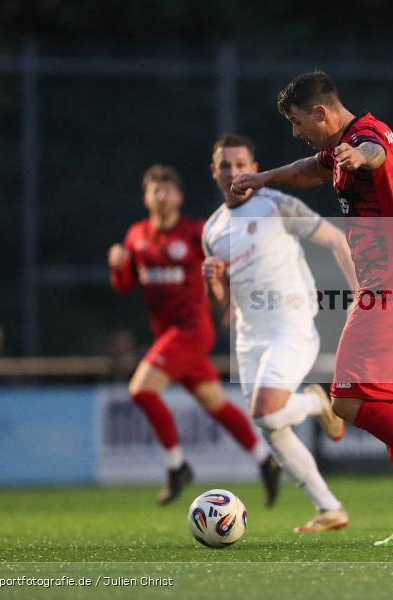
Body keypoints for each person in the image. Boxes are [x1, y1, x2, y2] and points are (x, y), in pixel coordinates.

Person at [230, 71, 393, 547]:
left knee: (347, 402)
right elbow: (311, 166)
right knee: (386, 404)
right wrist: (265, 178)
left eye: (298, 120)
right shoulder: (339, 144)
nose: (295, 130)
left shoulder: (367, 136)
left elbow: (376, 152)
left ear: (320, 112)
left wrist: (358, 156)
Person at [203, 133, 356, 533]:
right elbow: (221, 307)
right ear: (214, 171)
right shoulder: (212, 231)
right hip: (249, 338)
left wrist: (360, 295)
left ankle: (314, 403)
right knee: (270, 427)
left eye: (240, 164)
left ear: (253, 168)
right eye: (225, 165)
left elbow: (337, 240)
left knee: (266, 413)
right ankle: (330, 508)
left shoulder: (276, 204)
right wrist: (213, 284)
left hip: (291, 325)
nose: (233, 172)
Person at [108, 164, 280, 507]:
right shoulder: (136, 236)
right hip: (168, 335)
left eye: (168, 189)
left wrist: (232, 299)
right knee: (215, 404)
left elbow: (228, 263)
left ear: (178, 197)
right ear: (146, 197)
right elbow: (125, 286)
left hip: (192, 331)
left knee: (141, 390)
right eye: (155, 189)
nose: (162, 195)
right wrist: (117, 266)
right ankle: (266, 460)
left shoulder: (194, 233)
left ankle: (177, 466)